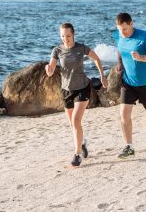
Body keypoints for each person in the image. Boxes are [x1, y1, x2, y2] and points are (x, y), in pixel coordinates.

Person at [45, 22, 108, 167]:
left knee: (76, 121)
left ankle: (77, 154)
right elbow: (51, 71)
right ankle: (83, 142)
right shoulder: (57, 50)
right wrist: (48, 69)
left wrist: (102, 76)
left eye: (68, 35)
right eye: (62, 36)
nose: (65, 38)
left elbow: (96, 58)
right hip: (66, 90)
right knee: (73, 124)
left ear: (73, 35)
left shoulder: (81, 48)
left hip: (82, 88)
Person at [113, 12, 146, 159]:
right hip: (128, 82)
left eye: (124, 29)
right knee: (123, 114)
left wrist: (141, 57)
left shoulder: (144, 37)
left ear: (131, 24)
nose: (122, 32)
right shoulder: (119, 36)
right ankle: (129, 146)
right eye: (119, 29)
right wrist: (119, 64)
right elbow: (120, 50)